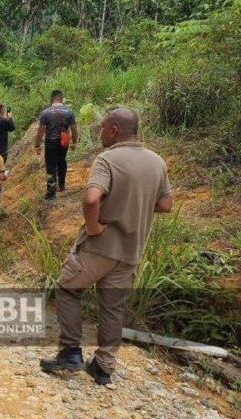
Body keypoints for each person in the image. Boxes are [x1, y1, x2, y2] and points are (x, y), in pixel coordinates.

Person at [40, 108, 173, 385]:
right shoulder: (157, 162)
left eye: (102, 128)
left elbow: (91, 199)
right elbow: (165, 204)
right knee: (113, 307)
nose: (100, 133)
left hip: (100, 248)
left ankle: (70, 352)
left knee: (67, 289)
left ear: (113, 129)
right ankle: (103, 365)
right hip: (131, 251)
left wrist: (93, 227)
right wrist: (134, 206)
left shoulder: (108, 159)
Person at [35, 90, 78, 200]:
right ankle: (62, 186)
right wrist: (74, 142)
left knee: (51, 166)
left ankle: (51, 193)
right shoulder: (69, 112)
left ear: (51, 99)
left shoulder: (46, 112)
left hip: (51, 141)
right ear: (62, 99)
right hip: (64, 141)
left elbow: (41, 130)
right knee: (62, 161)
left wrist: (37, 144)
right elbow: (73, 128)